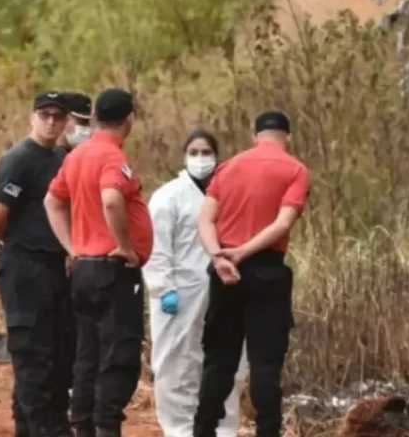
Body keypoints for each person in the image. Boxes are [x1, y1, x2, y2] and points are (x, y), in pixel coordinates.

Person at [193, 112, 310, 437]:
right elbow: (283, 224)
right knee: (266, 364)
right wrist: (244, 252)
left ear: (254, 135)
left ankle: (202, 430)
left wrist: (219, 256)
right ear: (287, 136)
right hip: (267, 273)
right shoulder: (295, 170)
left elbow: (204, 220)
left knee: (218, 359)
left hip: (223, 271)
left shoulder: (228, 167)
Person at [44, 88, 153, 437]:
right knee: (117, 358)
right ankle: (107, 428)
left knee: (87, 356)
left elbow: (52, 201)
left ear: (94, 119)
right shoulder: (110, 156)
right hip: (113, 270)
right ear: (130, 119)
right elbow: (111, 200)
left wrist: (72, 247)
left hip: (85, 270)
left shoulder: (76, 156)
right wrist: (125, 246)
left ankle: (84, 426)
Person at [142, 130, 248, 437]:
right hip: (180, 293)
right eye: (194, 152)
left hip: (222, 289)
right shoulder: (168, 196)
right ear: (184, 155)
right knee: (176, 364)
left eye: (206, 152)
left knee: (227, 363)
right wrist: (163, 288)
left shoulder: (228, 194)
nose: (201, 159)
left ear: (217, 156)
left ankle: (223, 427)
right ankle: (179, 429)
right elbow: (157, 247)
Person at [0, 92, 76, 437]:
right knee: (34, 357)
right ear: (32, 117)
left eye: (57, 116)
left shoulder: (61, 157)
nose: (51, 121)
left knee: (55, 355)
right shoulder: (19, 159)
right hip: (25, 267)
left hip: (55, 268)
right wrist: (23, 241)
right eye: (45, 114)